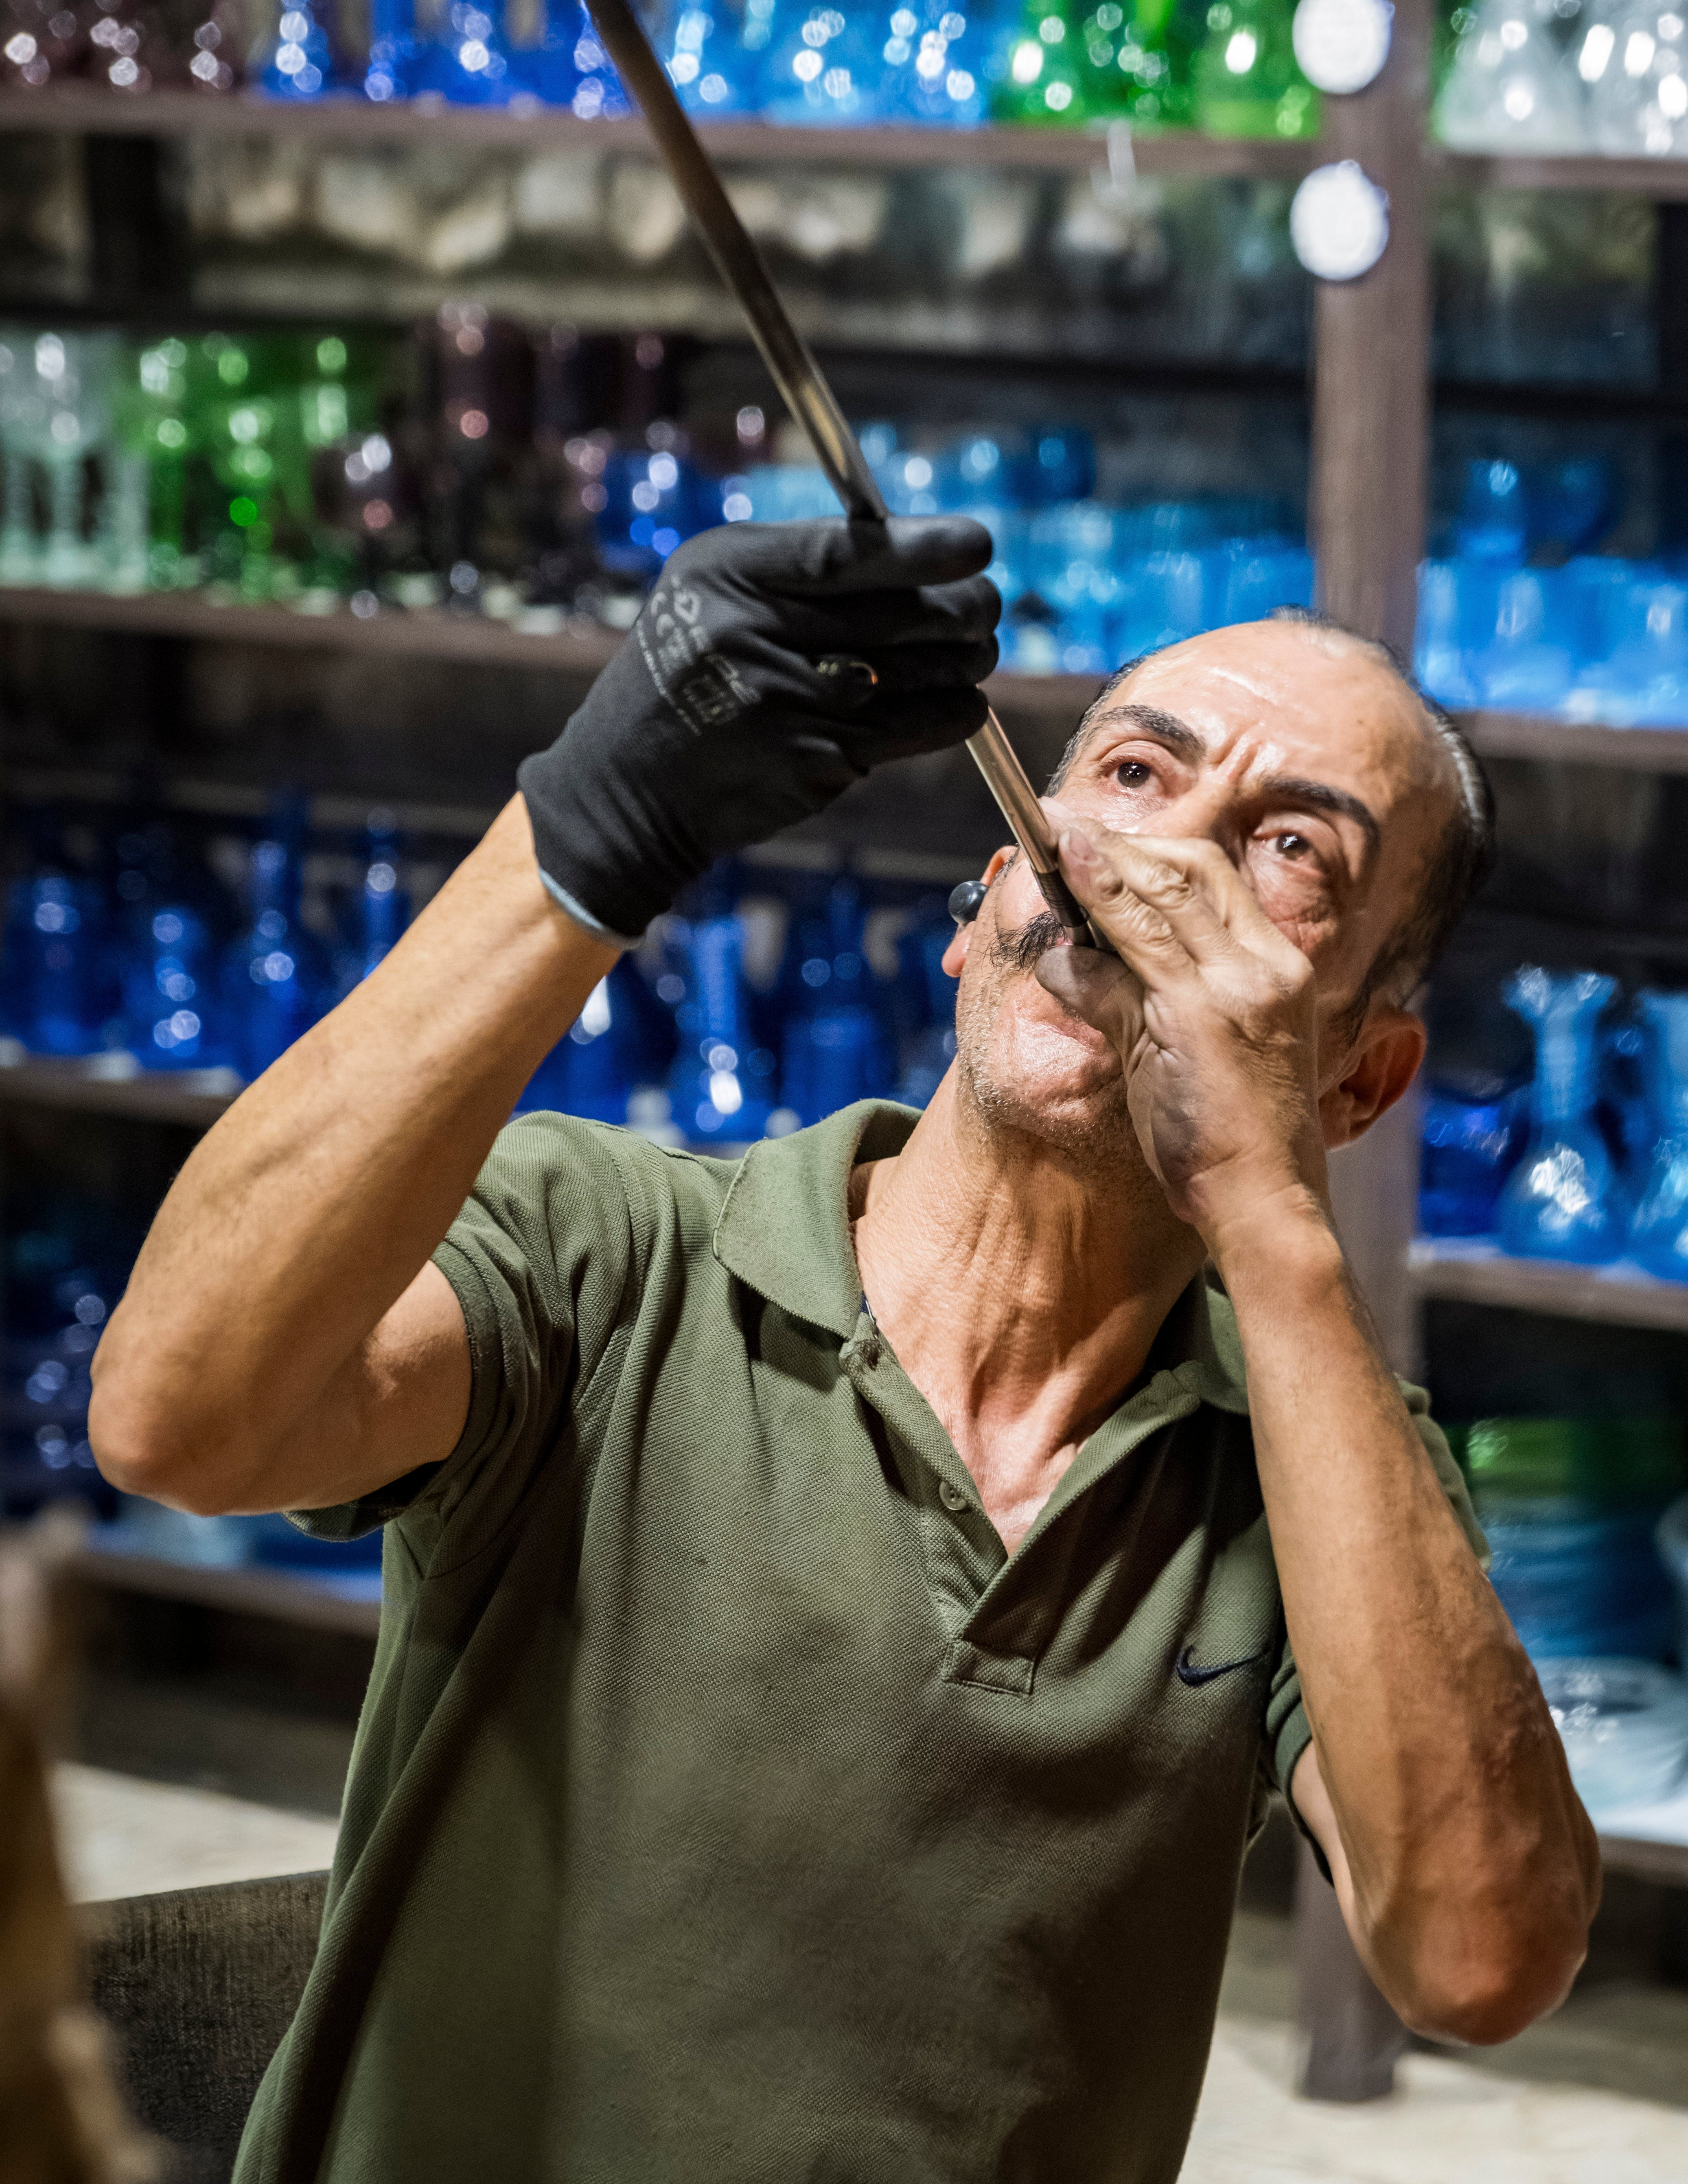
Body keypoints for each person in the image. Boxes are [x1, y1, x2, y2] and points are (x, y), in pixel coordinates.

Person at [89, 516, 1598, 2184]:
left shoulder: (1308, 1457)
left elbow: (1476, 1956)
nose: (1151, 867)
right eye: (1128, 777)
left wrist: (1274, 1226)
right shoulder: (607, 1247)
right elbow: (176, 1423)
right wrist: (586, 830)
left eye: (1286, 850)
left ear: (1358, 1085)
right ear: (982, 910)